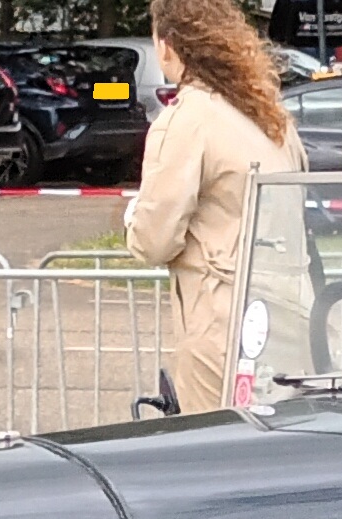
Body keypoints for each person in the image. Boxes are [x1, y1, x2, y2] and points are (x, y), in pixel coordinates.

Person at [125, 0, 300, 414]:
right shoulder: (268, 114)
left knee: (221, 452)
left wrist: (132, 217)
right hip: (288, 310)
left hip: (221, 319)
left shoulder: (188, 118)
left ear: (168, 47)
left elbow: (154, 240)